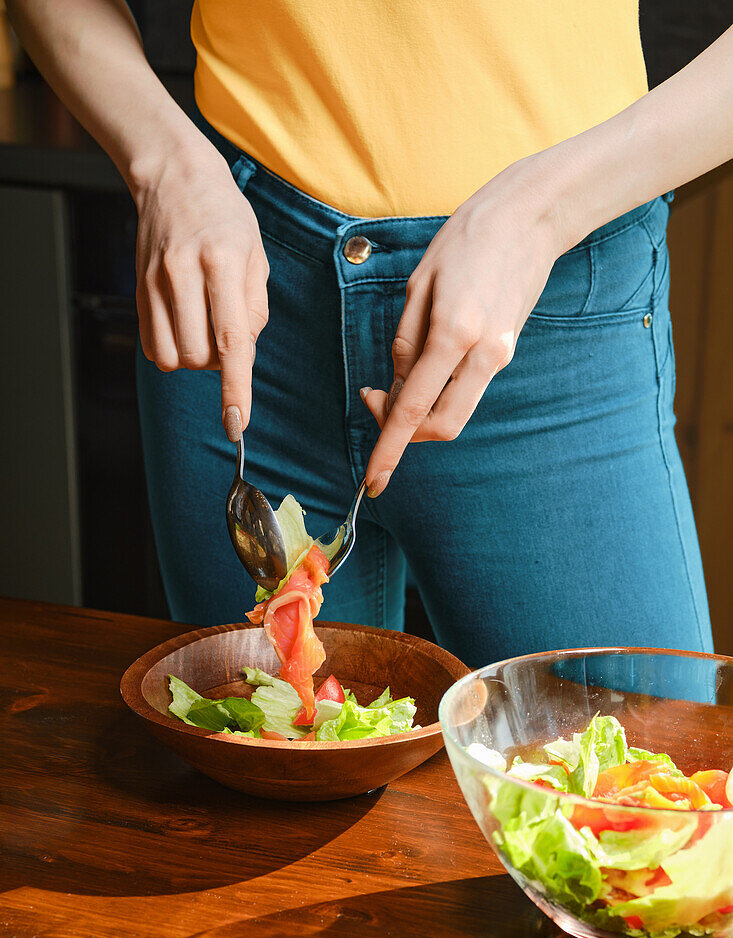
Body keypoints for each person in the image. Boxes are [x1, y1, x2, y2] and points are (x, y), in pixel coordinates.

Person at [9, 1, 732, 666]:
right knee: (253, 780)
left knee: (632, 787)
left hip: (551, 308)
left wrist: (541, 213)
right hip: (245, 285)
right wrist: (162, 163)